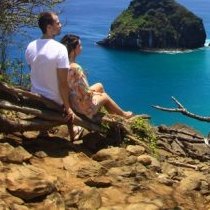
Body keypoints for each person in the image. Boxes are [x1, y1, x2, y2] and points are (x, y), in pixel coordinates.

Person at [25, 11, 76, 139]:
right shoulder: (60, 49)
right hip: (54, 102)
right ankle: (75, 129)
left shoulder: (30, 47)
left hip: (35, 99)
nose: (61, 25)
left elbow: (34, 73)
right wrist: (68, 108)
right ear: (49, 28)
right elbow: (63, 84)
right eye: (57, 23)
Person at [60, 34, 133, 121]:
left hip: (72, 101)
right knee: (105, 96)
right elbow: (85, 92)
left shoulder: (62, 64)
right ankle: (123, 115)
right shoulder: (76, 68)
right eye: (79, 45)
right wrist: (95, 94)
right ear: (73, 49)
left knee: (99, 85)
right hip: (82, 107)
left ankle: (113, 114)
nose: (82, 48)